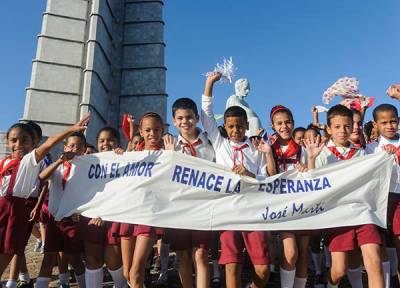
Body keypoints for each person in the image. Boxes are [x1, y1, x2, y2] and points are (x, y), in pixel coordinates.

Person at [202, 72, 276, 288]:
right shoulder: (219, 143)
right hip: (228, 210)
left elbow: (266, 178)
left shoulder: (256, 148)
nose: (235, 130)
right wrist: (209, 83)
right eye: (231, 126)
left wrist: (250, 175)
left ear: (246, 125)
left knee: (263, 269)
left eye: (240, 125)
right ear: (224, 126)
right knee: (231, 264)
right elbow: (206, 114)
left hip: (253, 211)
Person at [0, 113, 90, 279]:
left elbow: (50, 143)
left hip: (16, 209)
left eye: (24, 140)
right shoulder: (5, 162)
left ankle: (18, 279)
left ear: (34, 143)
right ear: (7, 142)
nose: (18, 144)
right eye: (14, 140)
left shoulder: (30, 161)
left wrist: (72, 129)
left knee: (9, 250)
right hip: (2, 207)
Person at [306, 105, 384, 288]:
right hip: (338, 216)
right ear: (329, 129)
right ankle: (330, 285)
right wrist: (311, 160)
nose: (343, 131)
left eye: (347, 126)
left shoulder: (362, 153)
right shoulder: (321, 152)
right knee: (339, 270)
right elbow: (311, 185)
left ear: (353, 127)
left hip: (363, 213)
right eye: (338, 127)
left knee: (374, 263)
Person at [163, 97, 215, 288]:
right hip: (180, 208)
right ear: (174, 121)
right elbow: (164, 177)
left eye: (189, 117)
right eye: (181, 118)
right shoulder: (171, 145)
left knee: (200, 254)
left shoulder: (210, 143)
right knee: (183, 256)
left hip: (203, 206)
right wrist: (170, 156)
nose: (185, 122)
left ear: (197, 118)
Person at [35, 132, 88, 288]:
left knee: (75, 259)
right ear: (65, 147)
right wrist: (59, 161)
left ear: (84, 150)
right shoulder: (58, 167)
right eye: (71, 145)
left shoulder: (86, 170)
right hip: (54, 219)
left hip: (73, 220)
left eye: (79, 146)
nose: (75, 149)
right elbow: (42, 177)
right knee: (48, 258)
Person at [268, 105, 309, 288]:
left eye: (287, 122)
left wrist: (306, 170)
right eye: (279, 123)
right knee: (291, 252)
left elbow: (314, 175)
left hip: (303, 203)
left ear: (293, 123)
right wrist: (268, 154)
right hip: (283, 205)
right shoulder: (268, 149)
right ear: (273, 126)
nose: (284, 126)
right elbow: (268, 176)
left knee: (302, 254)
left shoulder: (303, 149)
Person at [80, 126, 125, 288]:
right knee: (93, 261)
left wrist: (125, 157)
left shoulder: (125, 160)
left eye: (111, 140)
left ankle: (121, 285)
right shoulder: (90, 163)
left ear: (119, 142)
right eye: (102, 140)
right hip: (91, 216)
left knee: (113, 260)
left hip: (114, 216)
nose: (106, 143)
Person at [129, 112, 165, 288]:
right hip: (128, 215)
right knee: (128, 272)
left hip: (148, 215)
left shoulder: (166, 155)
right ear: (141, 131)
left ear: (163, 130)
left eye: (157, 130)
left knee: (136, 271)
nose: (152, 134)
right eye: (148, 130)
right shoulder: (133, 153)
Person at [366, 104, 400, 287]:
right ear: (375, 124)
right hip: (382, 200)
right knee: (384, 246)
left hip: (399, 198)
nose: (389, 126)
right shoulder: (372, 148)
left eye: (393, 121)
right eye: (384, 122)